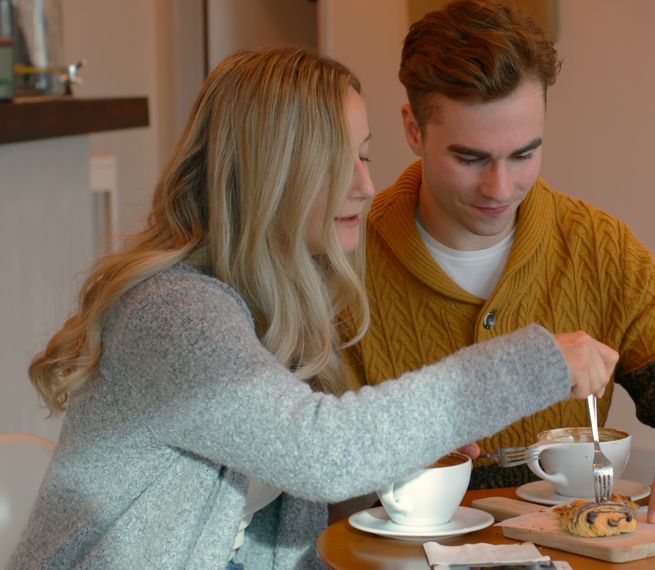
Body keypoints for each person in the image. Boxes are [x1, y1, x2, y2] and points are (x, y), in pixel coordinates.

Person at [9, 47, 617, 569]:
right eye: (339, 161)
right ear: (276, 171)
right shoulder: (173, 313)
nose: (367, 185)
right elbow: (320, 453)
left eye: (366, 155)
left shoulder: (272, 310)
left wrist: (397, 460)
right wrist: (536, 362)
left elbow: (287, 508)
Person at [340, 0, 655, 524]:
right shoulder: (341, 259)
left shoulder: (601, 247)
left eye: (524, 154)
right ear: (414, 130)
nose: (500, 187)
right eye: (470, 159)